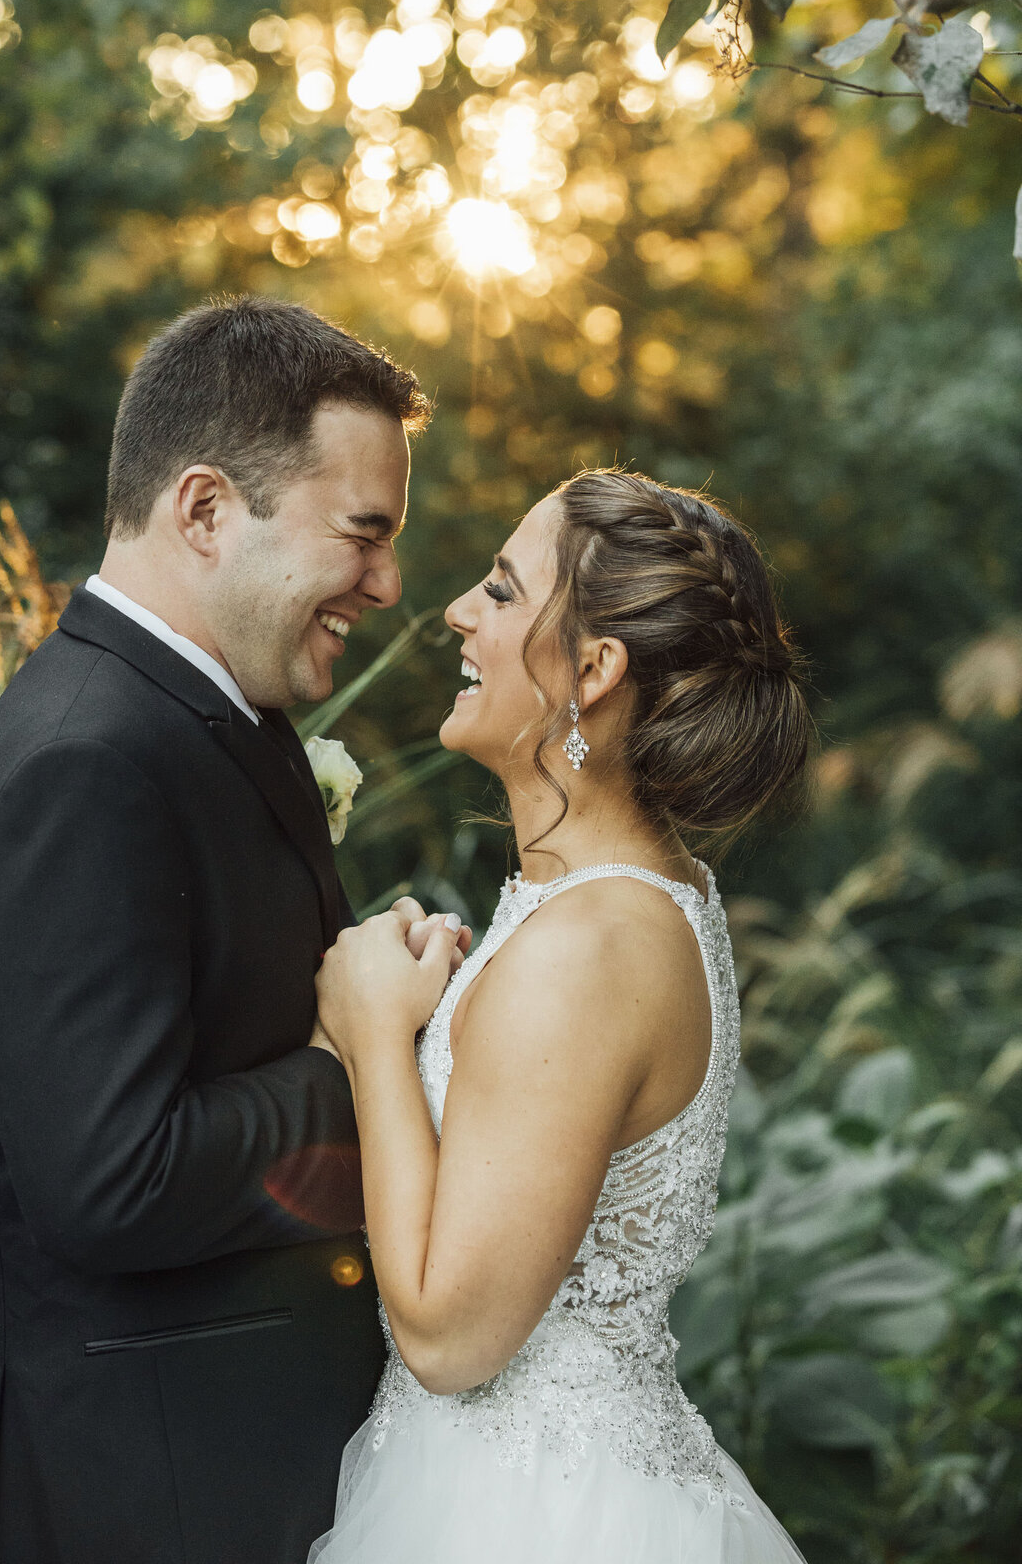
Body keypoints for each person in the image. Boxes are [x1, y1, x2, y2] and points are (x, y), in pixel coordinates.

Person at [0, 295, 470, 1564]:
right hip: (92, 1499)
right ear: (205, 511)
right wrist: (356, 1060)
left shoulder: (208, 714)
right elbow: (114, 1180)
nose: (389, 582)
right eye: (363, 534)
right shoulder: (82, 762)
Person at [309, 469, 815, 1564]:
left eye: (498, 590)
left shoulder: (588, 946)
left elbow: (450, 1338)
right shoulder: (632, 901)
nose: (456, 612)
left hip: (529, 1517)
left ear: (591, 670)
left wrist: (372, 1036)